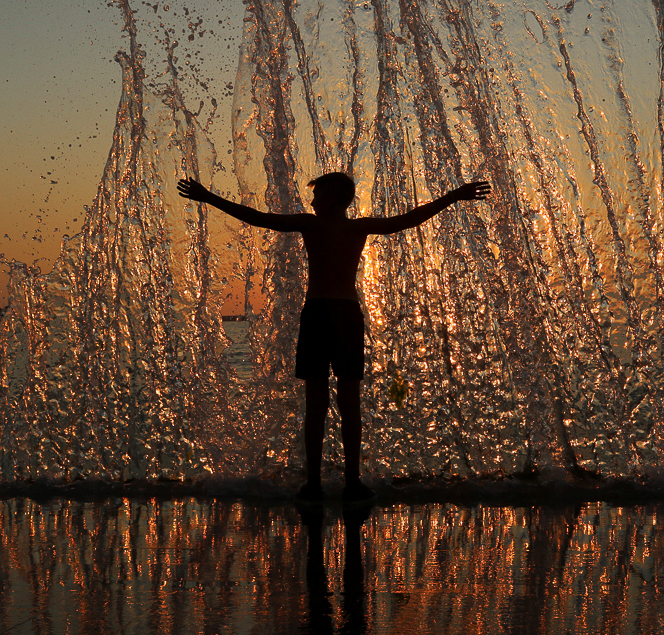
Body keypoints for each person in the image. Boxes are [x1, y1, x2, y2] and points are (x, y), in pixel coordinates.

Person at [177, 173, 492, 502]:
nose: (312, 203)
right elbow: (259, 218)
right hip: (326, 315)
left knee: (341, 402)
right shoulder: (317, 225)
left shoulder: (344, 227)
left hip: (336, 316)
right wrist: (209, 198)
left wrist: (454, 196)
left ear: (337, 200)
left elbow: (407, 220)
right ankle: (323, 482)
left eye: (319, 196)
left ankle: (344, 481)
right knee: (324, 403)